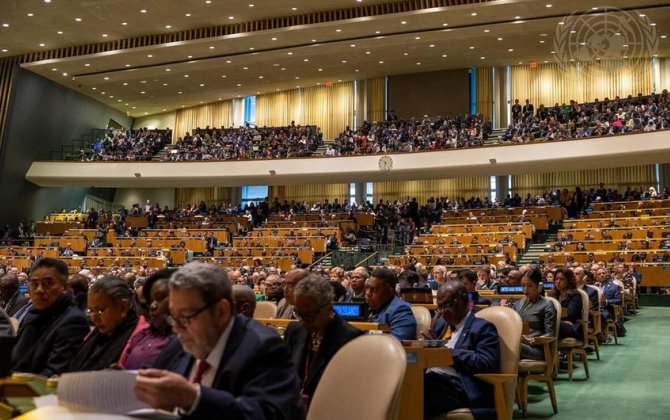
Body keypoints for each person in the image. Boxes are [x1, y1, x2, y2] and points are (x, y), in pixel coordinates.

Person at [134, 262, 304, 419]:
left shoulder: (264, 348)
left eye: (185, 317)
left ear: (221, 311)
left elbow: (266, 414)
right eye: (173, 317)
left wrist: (195, 398)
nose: (176, 328)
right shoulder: (182, 341)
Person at [284, 275, 363, 409]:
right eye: (299, 313)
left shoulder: (351, 339)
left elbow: (350, 393)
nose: (303, 321)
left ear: (328, 306)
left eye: (308, 315)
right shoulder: (294, 330)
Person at [424, 281, 500, 418]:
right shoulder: (441, 326)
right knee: (408, 381)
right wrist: (430, 348)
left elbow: (486, 363)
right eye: (439, 307)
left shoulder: (482, 328)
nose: (441, 312)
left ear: (464, 300)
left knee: (422, 386)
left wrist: (448, 353)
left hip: (463, 387)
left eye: (446, 305)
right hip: (437, 381)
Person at [11, 258, 89, 376]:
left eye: (48, 283)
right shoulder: (35, 313)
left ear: (65, 287)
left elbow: (54, 375)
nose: (39, 290)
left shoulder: (73, 322)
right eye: (34, 283)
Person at [68, 276, 139, 372]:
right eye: (91, 311)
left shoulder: (139, 339)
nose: (94, 318)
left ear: (123, 307)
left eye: (100, 310)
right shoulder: (95, 335)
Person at [122, 269, 175, 369]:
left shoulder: (185, 341)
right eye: (151, 300)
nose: (152, 306)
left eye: (160, 298)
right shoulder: (142, 335)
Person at [513, 268, 557, 360]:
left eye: (530, 286)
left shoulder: (547, 304)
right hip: (518, 343)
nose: (525, 289)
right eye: (523, 285)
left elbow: (550, 334)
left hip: (538, 348)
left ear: (539, 286)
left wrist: (531, 340)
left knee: (513, 346)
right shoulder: (517, 304)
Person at [365, 267, 417, 340]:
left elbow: (396, 342)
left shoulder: (400, 310)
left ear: (389, 291)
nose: (368, 293)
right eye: (367, 288)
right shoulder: (368, 308)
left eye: (374, 290)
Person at [548, 267, 583, 339]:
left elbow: (570, 314)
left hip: (571, 326)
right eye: (556, 279)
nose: (558, 281)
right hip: (558, 323)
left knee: (552, 324)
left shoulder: (575, 294)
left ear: (569, 281)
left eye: (561, 279)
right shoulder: (552, 294)